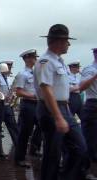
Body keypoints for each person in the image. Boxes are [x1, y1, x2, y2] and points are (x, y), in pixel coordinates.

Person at [34, 24, 94, 180]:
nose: (69, 44)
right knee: (53, 153)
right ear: (58, 42)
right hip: (51, 109)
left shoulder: (60, 62)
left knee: (80, 148)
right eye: (67, 40)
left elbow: (62, 90)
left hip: (63, 108)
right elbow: (46, 90)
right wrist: (59, 117)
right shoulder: (45, 62)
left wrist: (66, 111)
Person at [14, 49, 42, 168]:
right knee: (25, 132)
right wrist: (33, 96)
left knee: (42, 126)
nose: (35, 60)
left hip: (39, 104)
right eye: (33, 58)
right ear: (27, 59)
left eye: (35, 57)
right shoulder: (22, 74)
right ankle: (19, 158)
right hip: (28, 105)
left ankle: (34, 148)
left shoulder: (37, 73)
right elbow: (19, 92)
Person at [0, 62, 19, 147]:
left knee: (13, 125)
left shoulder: (8, 78)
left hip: (7, 104)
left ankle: (18, 145)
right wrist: (1, 95)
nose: (10, 69)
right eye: (9, 68)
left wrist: (11, 96)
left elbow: (10, 89)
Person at [80, 48, 97, 162]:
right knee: (90, 137)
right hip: (93, 104)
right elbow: (82, 86)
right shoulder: (90, 69)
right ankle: (85, 166)